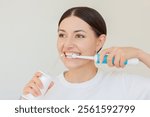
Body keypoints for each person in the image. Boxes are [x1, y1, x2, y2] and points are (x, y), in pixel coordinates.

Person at [22, 6, 150, 100]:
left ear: (99, 42)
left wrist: (139, 54)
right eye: (62, 35)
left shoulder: (125, 86)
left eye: (79, 36)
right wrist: (25, 103)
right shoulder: (42, 90)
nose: (67, 44)